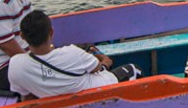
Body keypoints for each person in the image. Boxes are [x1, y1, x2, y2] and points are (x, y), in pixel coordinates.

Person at [8, 10, 142, 99]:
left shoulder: (15, 65)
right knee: (135, 69)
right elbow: (98, 68)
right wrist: (105, 61)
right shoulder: (74, 53)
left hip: (58, 107)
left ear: (22, 36)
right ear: (51, 32)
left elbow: (26, 95)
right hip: (98, 93)